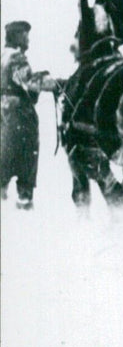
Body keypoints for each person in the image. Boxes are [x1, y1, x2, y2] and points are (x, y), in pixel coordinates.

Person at [1, 21, 58, 209]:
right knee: (24, 166)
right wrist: (56, 84)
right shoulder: (16, 58)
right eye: (25, 35)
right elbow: (30, 82)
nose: (28, 39)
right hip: (18, 121)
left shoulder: (2, 56)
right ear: (17, 36)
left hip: (4, 117)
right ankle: (24, 209)